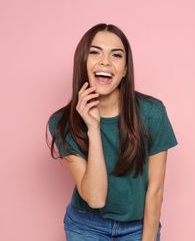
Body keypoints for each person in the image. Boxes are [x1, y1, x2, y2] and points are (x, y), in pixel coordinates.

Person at [47, 23, 178, 240]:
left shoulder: (151, 113)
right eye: (95, 52)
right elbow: (96, 199)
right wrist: (94, 128)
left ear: (125, 69)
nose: (105, 61)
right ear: (82, 62)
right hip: (85, 226)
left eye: (116, 55)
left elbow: (155, 191)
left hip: (137, 227)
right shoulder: (62, 122)